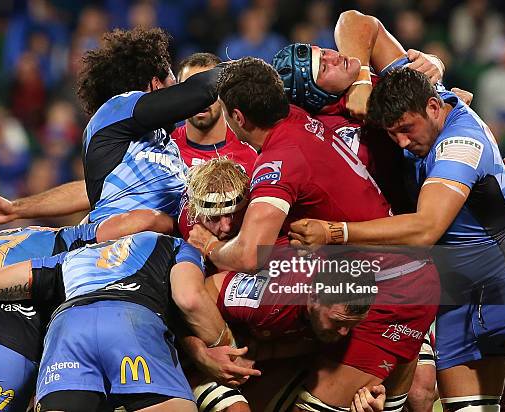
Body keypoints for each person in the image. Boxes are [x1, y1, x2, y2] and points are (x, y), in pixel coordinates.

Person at [186, 59, 439, 412]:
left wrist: (209, 245)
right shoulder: (297, 118)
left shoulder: (281, 160)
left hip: (386, 288)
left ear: (238, 118)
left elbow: (247, 255)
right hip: (393, 275)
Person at [289, 67, 505, 412]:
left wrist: (336, 232)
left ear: (434, 108)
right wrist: (362, 74)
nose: (403, 143)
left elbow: (425, 229)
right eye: (394, 134)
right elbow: (361, 23)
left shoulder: (459, 145)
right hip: (460, 292)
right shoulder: (424, 93)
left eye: (407, 129)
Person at [0, 231, 256, 412]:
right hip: (131, 326)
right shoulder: (174, 245)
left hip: (65, 334)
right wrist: (221, 344)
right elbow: (191, 299)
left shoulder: (68, 259)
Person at [0, 27, 223, 229]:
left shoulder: (242, 153)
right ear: (155, 85)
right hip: (128, 248)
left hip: (194, 256)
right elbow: (92, 190)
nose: (177, 93)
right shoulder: (154, 141)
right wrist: (18, 208)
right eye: (175, 84)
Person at [172, 53, 257, 176]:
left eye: (208, 90)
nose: (200, 99)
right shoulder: (165, 148)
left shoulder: (248, 157)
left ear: (224, 93)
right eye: (190, 90)